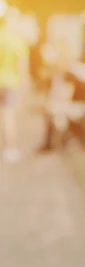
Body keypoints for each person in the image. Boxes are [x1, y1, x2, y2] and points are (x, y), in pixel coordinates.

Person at [37, 42, 85, 168]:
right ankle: (59, 142)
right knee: (78, 130)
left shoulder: (70, 73)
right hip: (83, 105)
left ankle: (53, 144)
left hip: (82, 107)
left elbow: (65, 95)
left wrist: (49, 104)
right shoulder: (73, 69)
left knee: (53, 110)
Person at [0, 9, 29, 163]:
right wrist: (23, 86)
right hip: (11, 83)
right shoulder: (18, 40)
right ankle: (10, 149)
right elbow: (23, 66)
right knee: (9, 115)